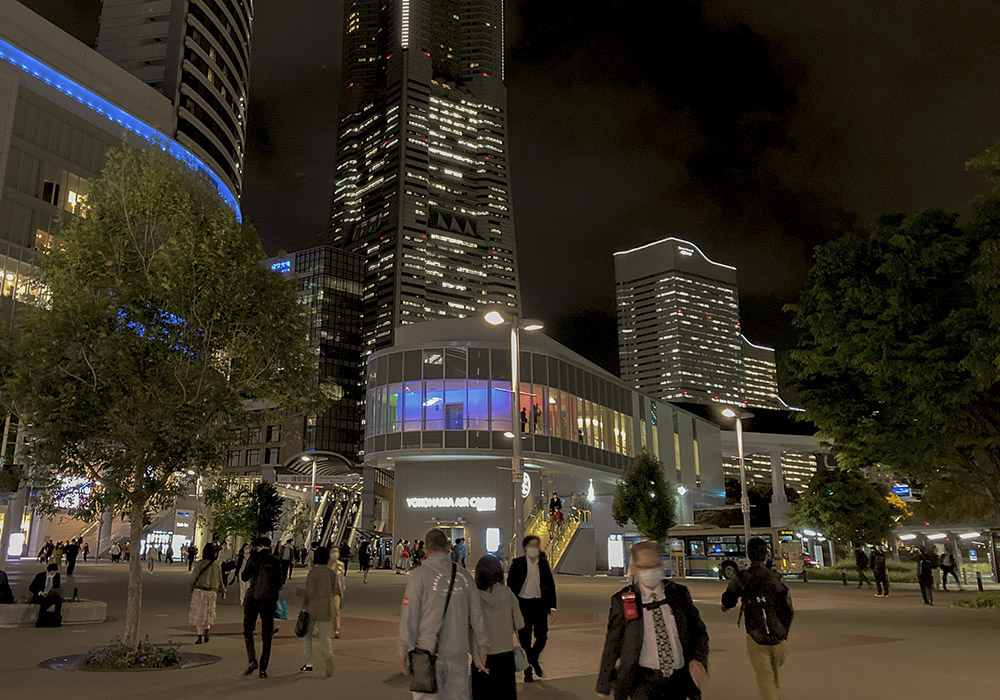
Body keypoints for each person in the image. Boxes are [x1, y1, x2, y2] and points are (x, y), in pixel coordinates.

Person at [596, 540, 709, 700]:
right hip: (642, 681)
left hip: (677, 680)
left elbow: (698, 631)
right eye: (644, 566)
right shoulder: (624, 600)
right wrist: (604, 683)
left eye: (654, 564)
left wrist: (699, 660)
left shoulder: (678, 594)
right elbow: (613, 642)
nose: (651, 570)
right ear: (635, 568)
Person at [398, 528, 488, 700]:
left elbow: (409, 614)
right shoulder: (464, 576)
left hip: (427, 651)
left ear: (425, 549)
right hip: (457, 651)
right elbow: (477, 615)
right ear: (448, 546)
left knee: (426, 696)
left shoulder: (419, 575)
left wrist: (404, 647)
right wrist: (482, 647)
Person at [722, 538, 793, 700]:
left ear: (748, 554)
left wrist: (726, 607)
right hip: (778, 635)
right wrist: (785, 631)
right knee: (773, 672)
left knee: (765, 676)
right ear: (766, 555)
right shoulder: (776, 577)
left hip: (756, 635)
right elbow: (788, 607)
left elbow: (728, 600)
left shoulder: (742, 578)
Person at [471, 554, 524, 700]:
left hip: (483, 657)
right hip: (505, 656)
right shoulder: (508, 594)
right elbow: (520, 623)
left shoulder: (474, 597)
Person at [508, 535, 557, 682]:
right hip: (523, 605)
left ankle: (533, 659)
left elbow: (550, 585)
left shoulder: (543, 564)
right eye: (530, 546)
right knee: (525, 640)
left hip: (540, 605)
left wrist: (552, 607)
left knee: (542, 637)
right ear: (525, 548)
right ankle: (527, 673)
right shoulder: (517, 564)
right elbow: (510, 587)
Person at [241, 536, 282, 678]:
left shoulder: (255, 558)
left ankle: (252, 659)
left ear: (258, 546)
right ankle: (263, 669)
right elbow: (280, 582)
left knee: (248, 629)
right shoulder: (275, 560)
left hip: (253, 598)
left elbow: (244, 576)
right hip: (269, 601)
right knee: (267, 634)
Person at [300, 546, 340, 676]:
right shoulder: (331, 574)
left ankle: (308, 663)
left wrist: (303, 603)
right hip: (326, 607)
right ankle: (328, 657)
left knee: (307, 636)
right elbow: (335, 590)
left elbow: (309, 592)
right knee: (325, 636)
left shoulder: (312, 573)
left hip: (312, 607)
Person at [189, 543, 226, 644]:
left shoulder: (199, 564)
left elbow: (194, 577)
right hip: (212, 592)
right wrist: (223, 591)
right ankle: (207, 631)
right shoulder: (217, 565)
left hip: (200, 590)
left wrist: (191, 588)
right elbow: (220, 579)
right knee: (209, 612)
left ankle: (199, 635)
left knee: (199, 613)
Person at [28, 562, 63, 627]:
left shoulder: (57, 576)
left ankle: (56, 620)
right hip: (40, 595)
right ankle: (41, 622)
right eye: (52, 573)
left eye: (55, 572)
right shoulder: (40, 576)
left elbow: (57, 587)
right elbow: (31, 588)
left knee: (59, 600)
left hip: (50, 595)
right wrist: (41, 592)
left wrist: (53, 592)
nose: (53, 574)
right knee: (44, 603)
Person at [329, 546, 347, 638]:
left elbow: (342, 578)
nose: (335, 554)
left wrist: (343, 589)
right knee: (329, 610)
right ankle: (323, 627)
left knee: (336, 610)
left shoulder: (341, 565)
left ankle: (337, 629)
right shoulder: (327, 565)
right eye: (333, 552)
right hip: (327, 591)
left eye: (336, 552)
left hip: (337, 591)